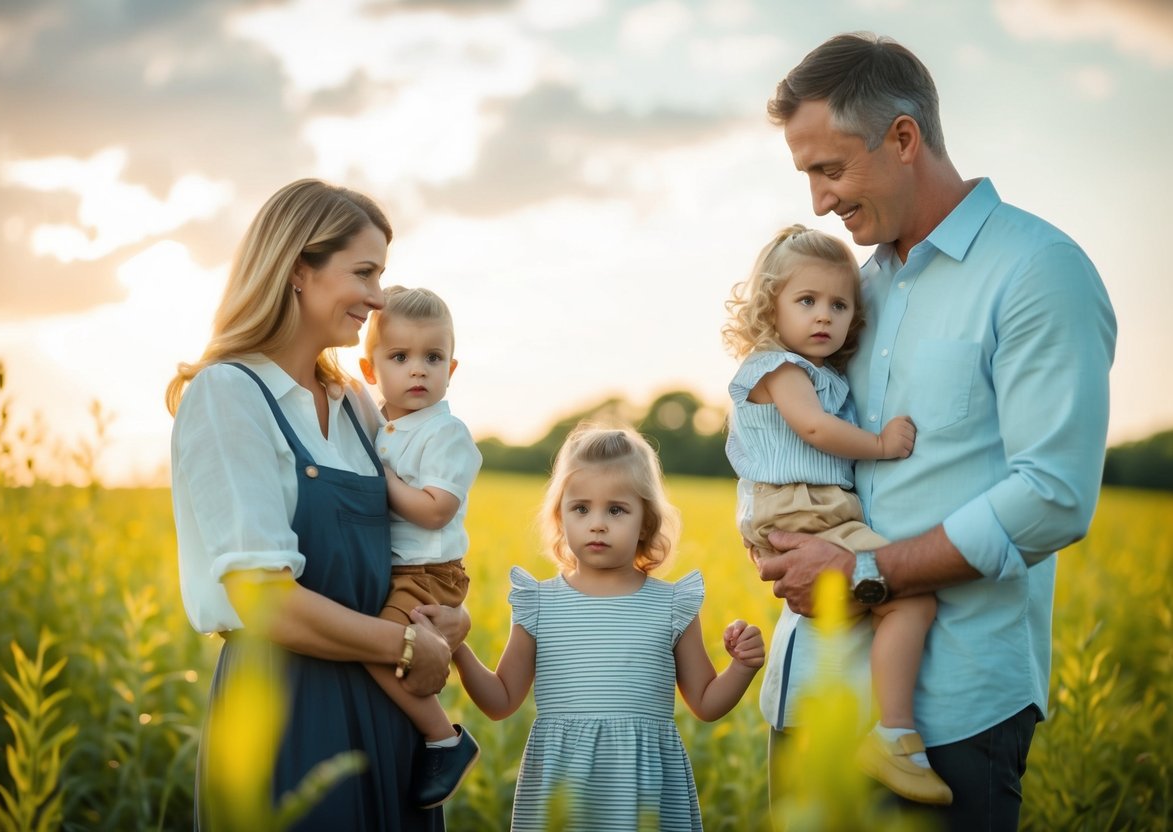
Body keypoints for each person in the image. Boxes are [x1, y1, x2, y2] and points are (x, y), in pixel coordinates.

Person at [751, 33, 1117, 830]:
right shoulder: (847, 289)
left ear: (904, 139)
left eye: (830, 169)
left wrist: (863, 572)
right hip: (810, 693)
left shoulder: (1036, 271)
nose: (817, 201)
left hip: (948, 714)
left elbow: (1053, 497)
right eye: (805, 175)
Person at [168, 178, 470, 830]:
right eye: (363, 272)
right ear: (298, 269)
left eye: (381, 274)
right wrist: (407, 647)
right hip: (289, 714)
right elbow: (264, 601)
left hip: (389, 718)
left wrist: (447, 617)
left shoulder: (359, 405)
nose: (379, 296)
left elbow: (409, 543)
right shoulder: (229, 394)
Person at [723, 224, 950, 805]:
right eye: (807, 301)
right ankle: (893, 735)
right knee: (909, 593)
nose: (824, 316)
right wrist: (880, 444)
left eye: (839, 304)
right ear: (772, 307)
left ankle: (878, 731)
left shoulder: (820, 372)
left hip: (811, 507)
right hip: (801, 507)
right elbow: (814, 429)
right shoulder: (778, 368)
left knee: (877, 601)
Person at [451, 424, 766, 831]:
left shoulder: (672, 604)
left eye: (616, 510)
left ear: (647, 523)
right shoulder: (539, 602)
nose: (597, 523)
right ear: (559, 516)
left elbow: (705, 703)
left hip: (645, 791)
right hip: (562, 786)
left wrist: (742, 666)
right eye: (581, 508)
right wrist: (457, 646)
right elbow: (501, 701)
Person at [358, 285, 483, 808]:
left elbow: (436, 509)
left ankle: (445, 740)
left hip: (429, 572)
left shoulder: (444, 433)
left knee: (376, 646)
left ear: (451, 369)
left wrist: (380, 479)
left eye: (433, 357)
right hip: (403, 569)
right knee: (385, 647)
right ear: (370, 371)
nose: (417, 370)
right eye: (400, 356)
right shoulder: (382, 424)